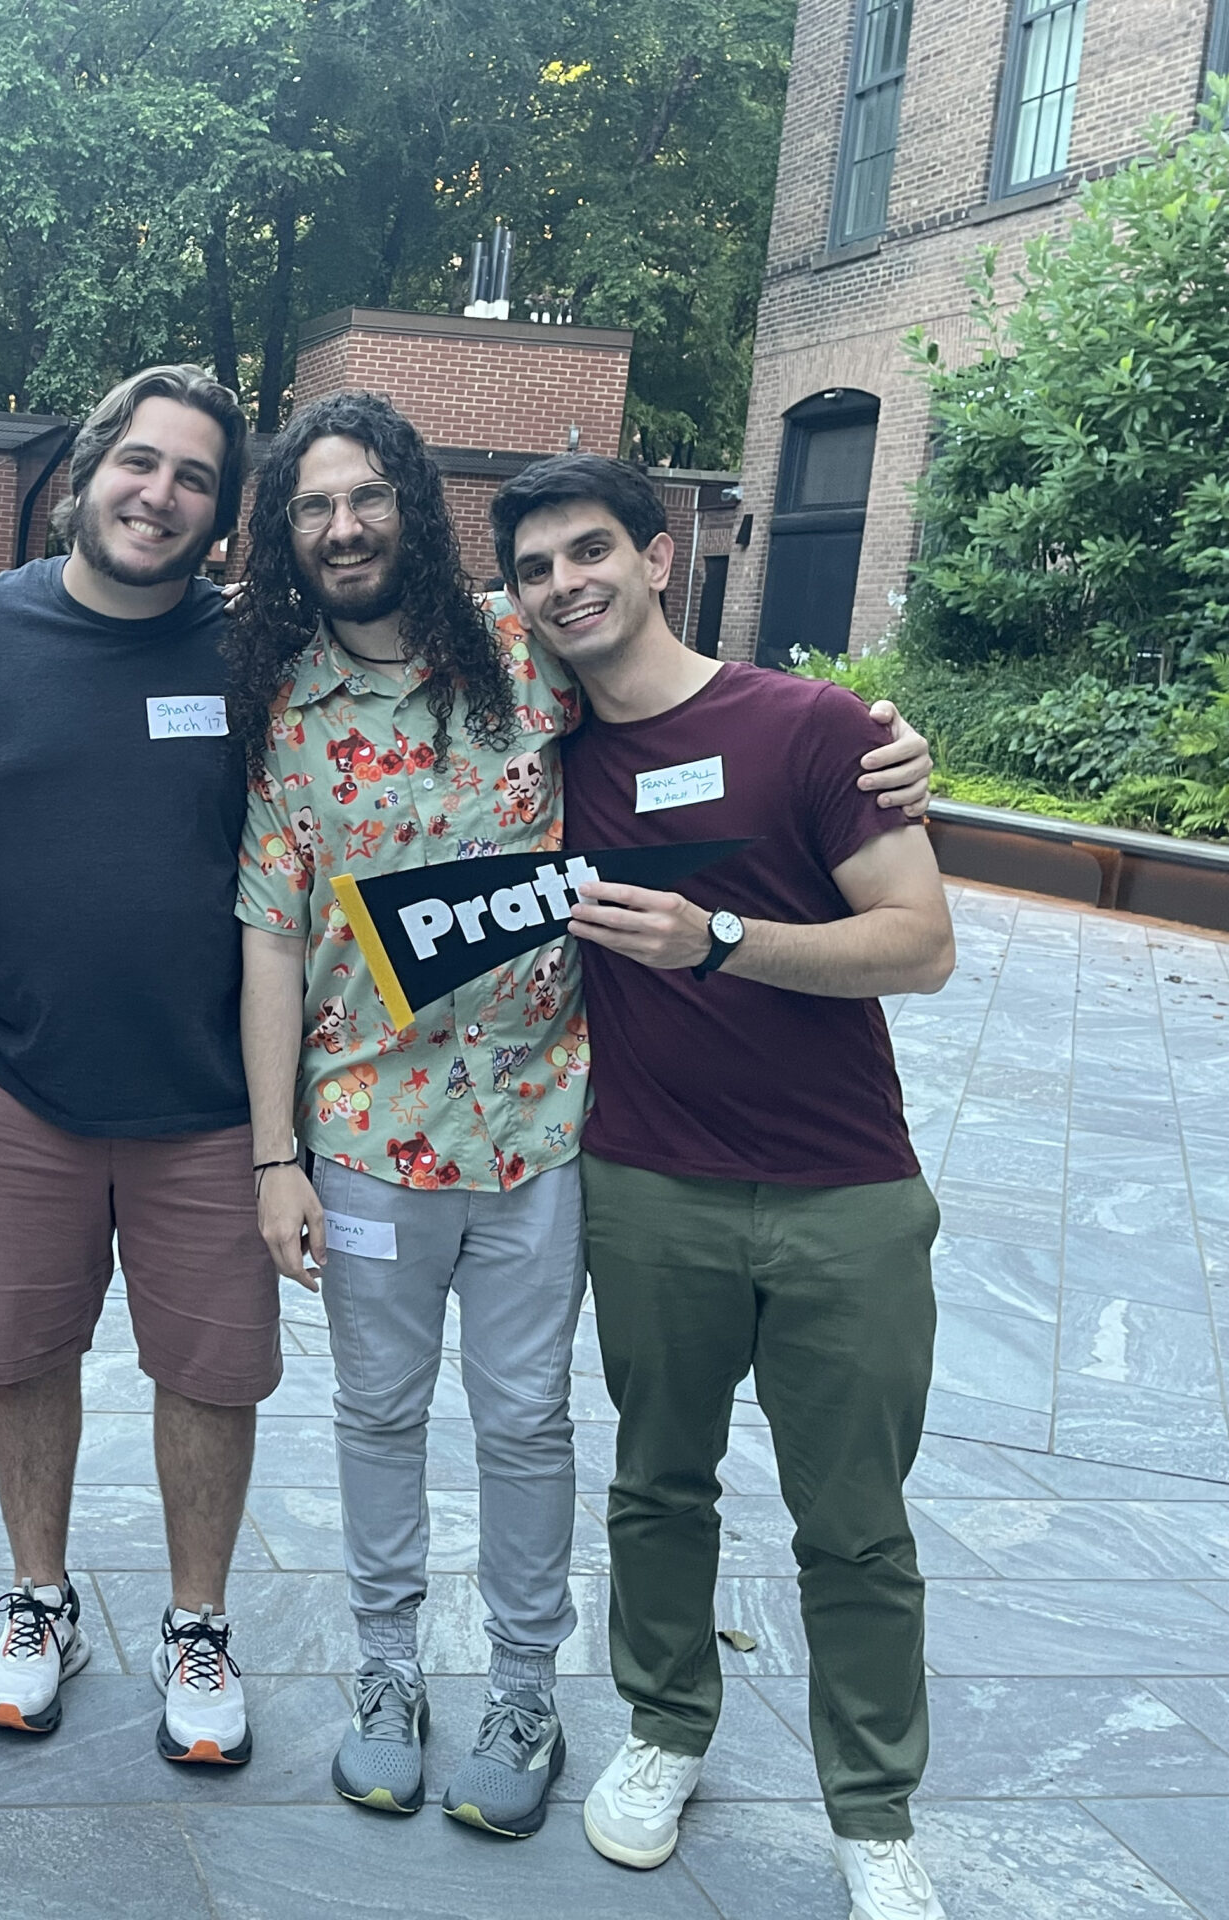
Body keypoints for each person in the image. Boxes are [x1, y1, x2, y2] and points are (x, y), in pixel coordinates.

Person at [228, 397, 935, 1837]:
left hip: (550, 1128)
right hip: (364, 1138)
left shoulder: (518, 642)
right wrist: (270, 1158)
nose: (345, 526)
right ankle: (382, 1676)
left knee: (528, 1424)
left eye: (368, 496)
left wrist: (880, 749)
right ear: (287, 533)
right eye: (313, 507)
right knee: (374, 1415)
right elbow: (272, 936)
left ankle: (523, 1691)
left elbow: (677, 699)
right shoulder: (285, 705)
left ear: (411, 507)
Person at [494, 455, 956, 1919]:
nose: (566, 585)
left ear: (656, 551)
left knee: (858, 1523)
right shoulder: (541, 749)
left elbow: (920, 941)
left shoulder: (814, 728)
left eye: (589, 553)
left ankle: (874, 1813)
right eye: (535, 569)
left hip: (845, 1195)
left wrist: (723, 940)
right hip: (646, 1187)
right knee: (657, 1486)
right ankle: (664, 1726)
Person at [0, 365, 274, 1767]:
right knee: (25, 1354)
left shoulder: (256, 649)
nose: (160, 493)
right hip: (24, 1075)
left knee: (211, 1374)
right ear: (82, 473)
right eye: (139, 462)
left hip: (213, 1095)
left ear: (222, 514)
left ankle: (198, 1624)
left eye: (194, 477)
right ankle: (40, 1602)